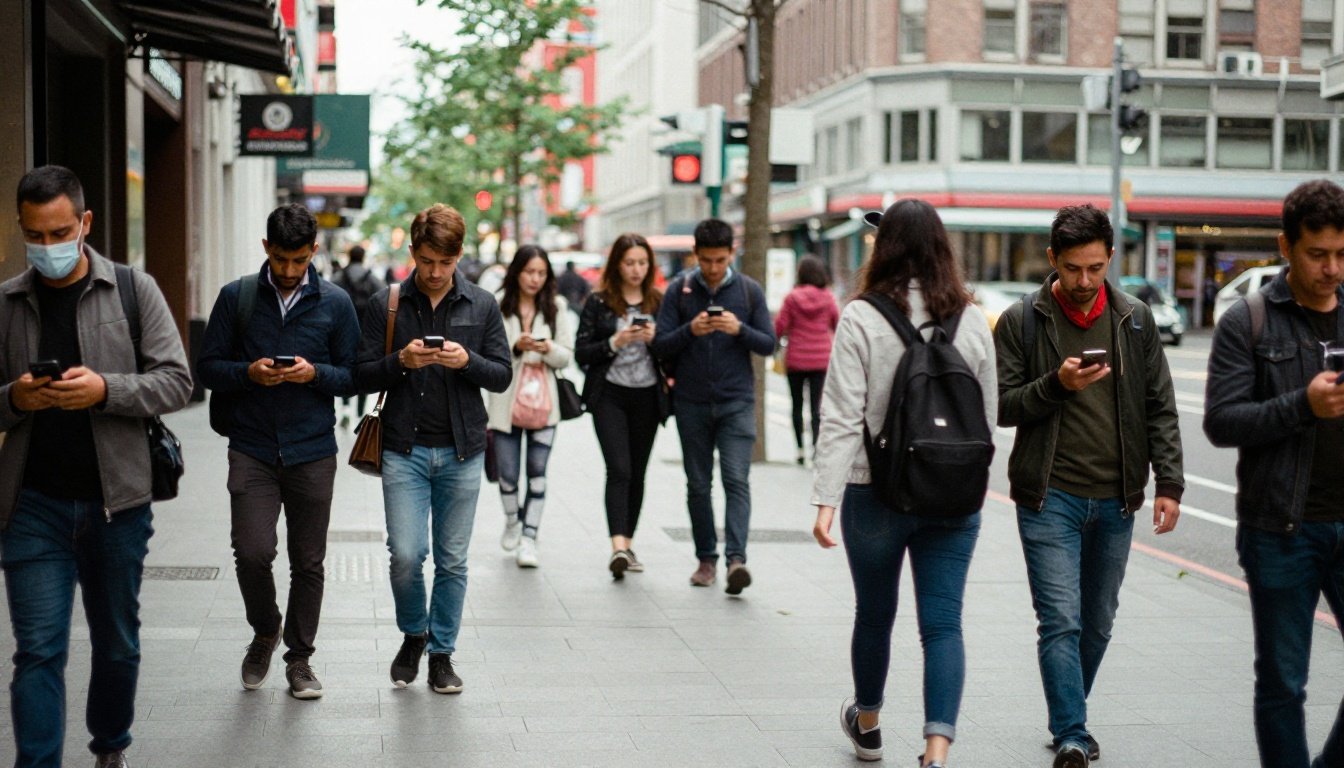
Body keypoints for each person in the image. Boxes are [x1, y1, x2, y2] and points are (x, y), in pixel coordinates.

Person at [0, 165, 192, 768]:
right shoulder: (6, 303)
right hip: (31, 506)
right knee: (37, 651)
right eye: (36, 235)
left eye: (60, 233)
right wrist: (15, 398)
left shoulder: (133, 289)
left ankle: (110, 745)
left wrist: (105, 389)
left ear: (84, 222)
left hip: (117, 506)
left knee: (116, 644)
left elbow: (177, 381)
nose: (48, 247)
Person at [994, 203, 1184, 768]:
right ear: (1052, 259)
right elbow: (1001, 406)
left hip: (1116, 498)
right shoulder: (1022, 321)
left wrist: (1169, 483)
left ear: (1110, 259)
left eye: (1096, 268)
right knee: (1061, 620)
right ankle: (1072, 734)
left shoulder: (1135, 319)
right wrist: (1056, 384)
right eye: (1073, 268)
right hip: (1048, 495)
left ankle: (1069, 713)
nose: (1084, 281)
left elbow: (1160, 406)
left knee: (1097, 624)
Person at [810, 199, 996, 768]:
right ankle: (936, 753)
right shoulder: (971, 318)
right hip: (953, 495)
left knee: (875, 614)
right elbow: (986, 417)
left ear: (884, 248)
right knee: (943, 624)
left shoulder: (863, 317)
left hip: (875, 491)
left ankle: (867, 723)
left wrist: (825, 499)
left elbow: (841, 415)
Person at [1204, 179, 1344, 768]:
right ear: (1286, 247)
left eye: (1342, 254)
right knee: (1284, 682)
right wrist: (1302, 406)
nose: (1332, 268)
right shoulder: (1249, 319)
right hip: (1281, 527)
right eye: (1318, 254)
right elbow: (1222, 421)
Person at [197, 204, 360, 700]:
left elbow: (354, 375)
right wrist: (249, 372)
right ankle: (266, 628)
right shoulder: (237, 297)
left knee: (308, 562)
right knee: (252, 552)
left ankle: (300, 659)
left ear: (314, 251)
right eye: (281, 259)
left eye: (299, 260)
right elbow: (207, 367)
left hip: (313, 450)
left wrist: (315, 374)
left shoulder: (336, 303)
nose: (289, 270)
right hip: (252, 447)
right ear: (266, 248)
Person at [354, 204, 510, 695]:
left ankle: (441, 654)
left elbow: (501, 375)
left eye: (445, 262)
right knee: (405, 553)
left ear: (458, 255)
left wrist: (467, 362)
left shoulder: (482, 304)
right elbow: (359, 374)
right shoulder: (387, 303)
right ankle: (413, 633)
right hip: (404, 447)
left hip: (463, 450)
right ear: (412, 253)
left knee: (452, 559)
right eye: (426, 261)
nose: (436, 272)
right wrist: (401, 360)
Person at [652, 218, 775, 593]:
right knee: (698, 484)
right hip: (691, 401)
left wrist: (740, 329)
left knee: (736, 480)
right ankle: (706, 559)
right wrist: (691, 330)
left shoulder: (750, 291)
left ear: (731, 253)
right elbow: (660, 344)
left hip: (737, 401)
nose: (713, 268)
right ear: (696, 254)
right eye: (706, 260)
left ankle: (736, 559)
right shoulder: (680, 290)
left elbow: (769, 344)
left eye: (720, 260)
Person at [575, 233, 668, 579]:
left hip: (648, 396)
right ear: (617, 265)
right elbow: (582, 352)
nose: (636, 269)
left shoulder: (659, 302)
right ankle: (617, 547)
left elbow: (674, 351)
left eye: (642, 263)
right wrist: (615, 341)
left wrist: (655, 340)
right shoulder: (599, 301)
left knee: (638, 472)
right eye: (629, 263)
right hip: (609, 395)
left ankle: (627, 544)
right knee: (619, 469)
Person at [487, 245, 575, 568]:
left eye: (541, 273)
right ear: (516, 272)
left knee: (538, 474)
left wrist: (547, 347)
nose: (535, 279)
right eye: (529, 272)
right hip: (506, 404)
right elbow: (489, 354)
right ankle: (513, 520)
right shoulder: (498, 305)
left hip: (544, 404)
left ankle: (529, 538)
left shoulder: (556, 307)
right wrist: (516, 347)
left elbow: (567, 355)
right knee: (508, 475)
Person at [774, 255, 839, 466]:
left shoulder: (791, 298)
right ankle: (816, 448)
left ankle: (800, 450)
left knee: (796, 405)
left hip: (796, 359)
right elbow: (837, 323)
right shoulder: (828, 298)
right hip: (821, 360)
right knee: (817, 407)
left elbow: (779, 326)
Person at [330, 244, 384, 426]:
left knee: (345, 368)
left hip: (342, 332)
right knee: (364, 370)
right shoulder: (372, 279)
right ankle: (360, 413)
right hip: (366, 332)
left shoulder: (338, 277)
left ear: (349, 256)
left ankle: (345, 409)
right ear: (363, 257)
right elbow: (383, 299)